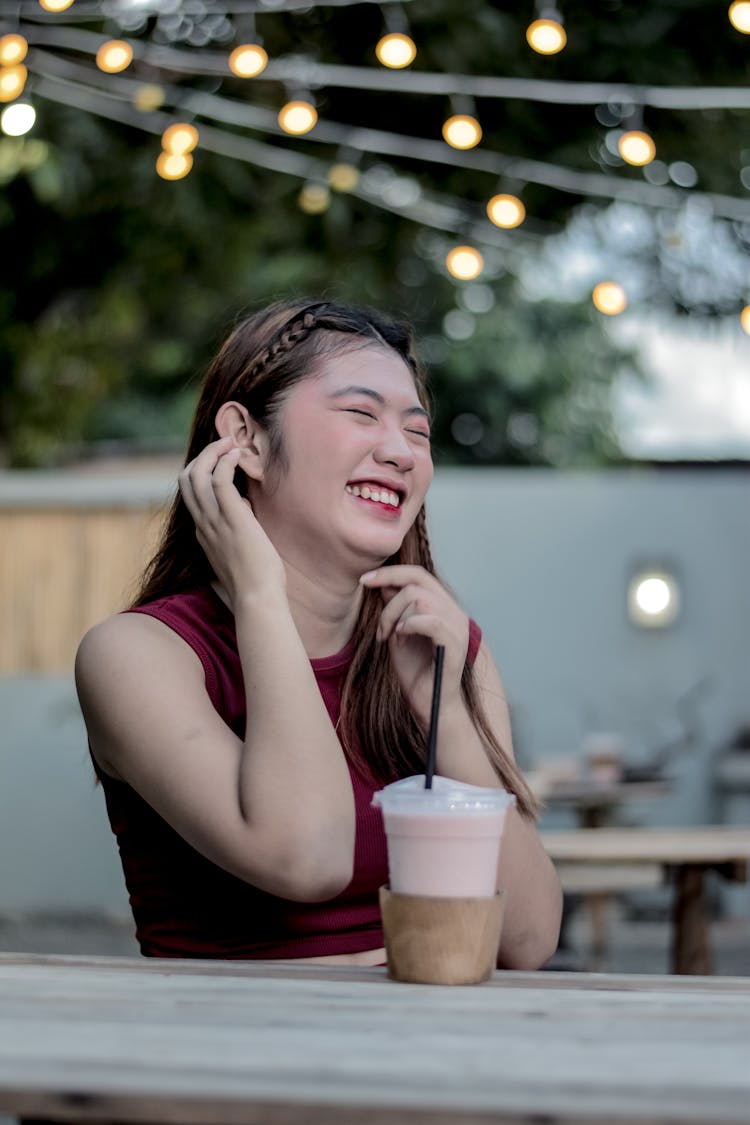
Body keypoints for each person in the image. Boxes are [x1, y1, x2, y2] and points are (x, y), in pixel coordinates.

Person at [75, 297, 562, 969]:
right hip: (229, 1061)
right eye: (361, 414)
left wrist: (445, 717)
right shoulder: (137, 655)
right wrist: (258, 594)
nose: (399, 452)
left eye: (417, 433)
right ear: (245, 438)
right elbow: (308, 855)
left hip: (431, 1053)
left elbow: (527, 939)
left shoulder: (444, 646)